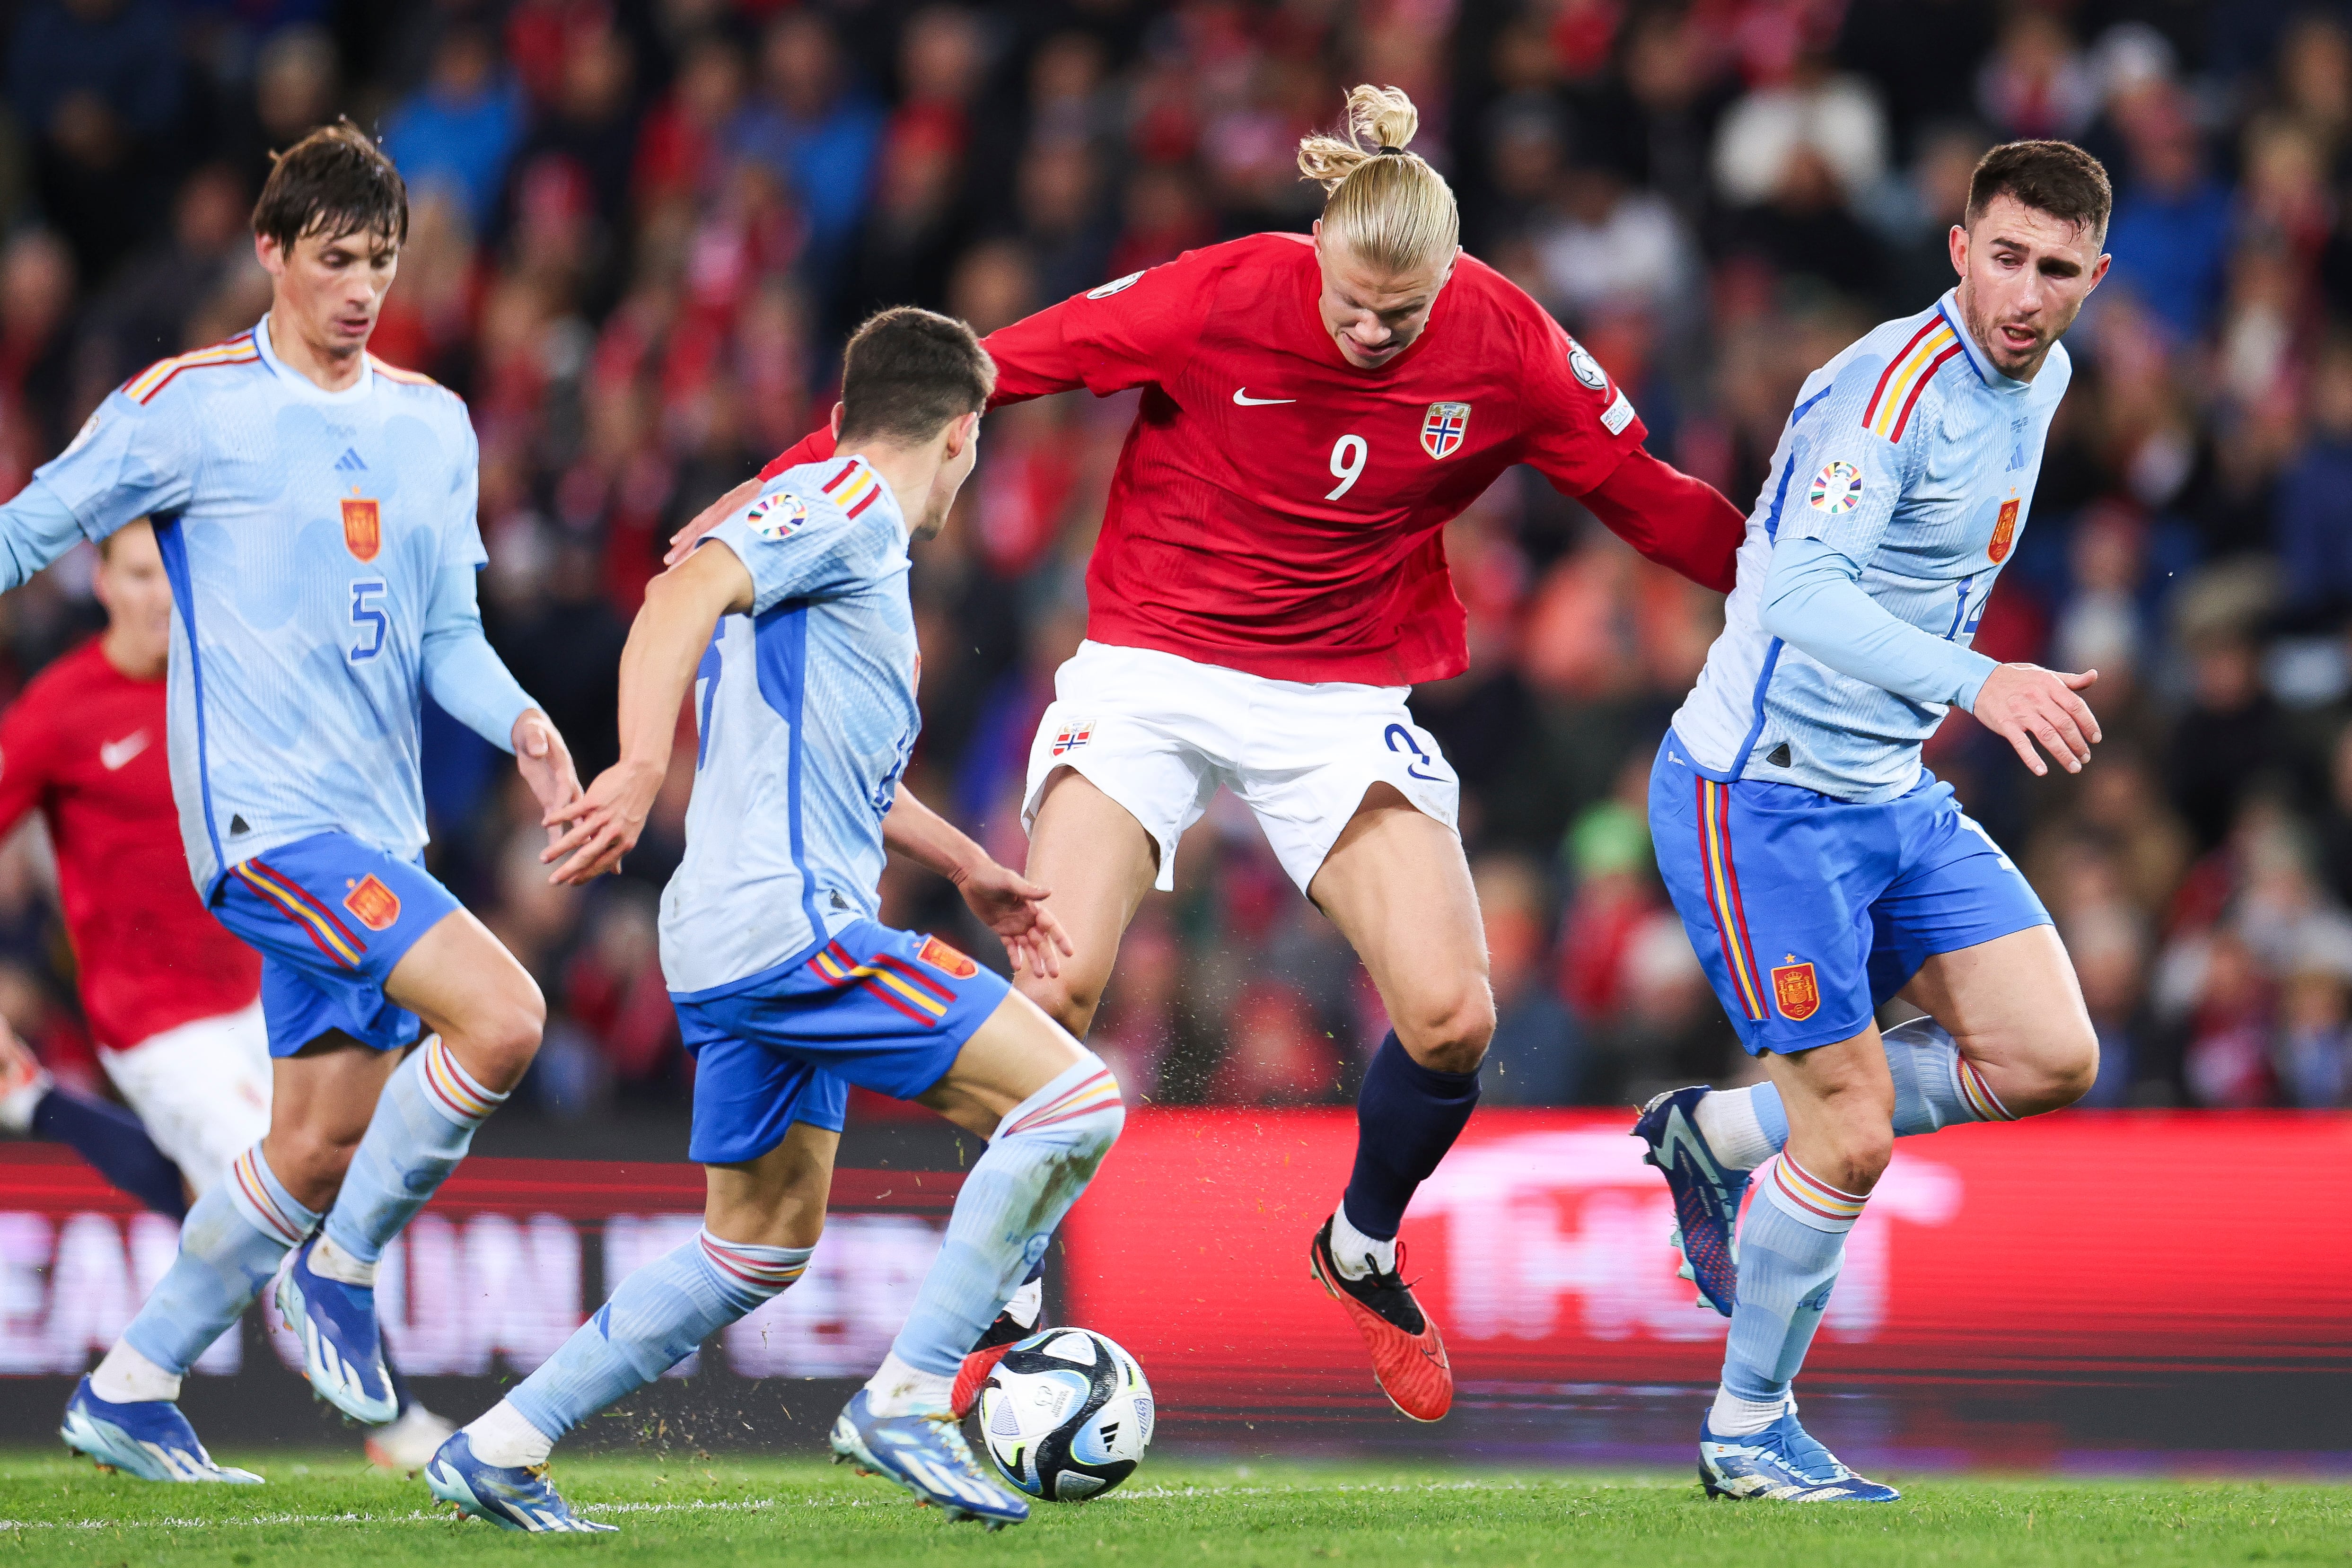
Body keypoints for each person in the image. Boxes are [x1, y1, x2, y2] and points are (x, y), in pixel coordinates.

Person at [668, 84, 1748, 1424]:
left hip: (1338, 696)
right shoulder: (1222, 292)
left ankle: (1358, 1244)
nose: (1364, 329)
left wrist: (1797, 591)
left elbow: (1654, 504)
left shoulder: (1509, 344)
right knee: (1055, 995)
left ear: (1448, 283)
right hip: (1151, 673)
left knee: (1454, 1017)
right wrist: (779, 490)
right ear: (1316, 249)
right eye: (1346, 301)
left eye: (1395, 317)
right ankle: (998, 1290)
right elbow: (988, 365)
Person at [421, 308, 1115, 1533]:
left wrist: (967, 863)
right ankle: (906, 1395)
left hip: (730, 936)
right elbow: (679, 591)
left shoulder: (838, 539)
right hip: (794, 929)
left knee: (754, 1247)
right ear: (962, 436)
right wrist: (638, 765)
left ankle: (499, 1441)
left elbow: (838, 759)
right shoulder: (843, 499)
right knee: (1070, 1102)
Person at [0, 122, 581, 1483]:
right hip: (268, 833)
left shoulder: (433, 425)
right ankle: (342, 1279)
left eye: (381, 258)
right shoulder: (191, 405)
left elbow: (448, 634)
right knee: (503, 1014)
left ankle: (132, 1383)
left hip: (381, 833)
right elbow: (31, 525)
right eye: (333, 259)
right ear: (271, 253)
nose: (361, 286)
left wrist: (526, 722)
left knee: (312, 1148)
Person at [1632, 140, 2111, 1501]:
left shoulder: (2048, 376)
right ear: (1956, 246)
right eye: (2002, 257)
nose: (2023, 296)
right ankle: (1744, 1433)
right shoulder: (1885, 394)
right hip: (1761, 793)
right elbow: (1794, 594)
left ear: (2092, 279)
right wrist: (1982, 679)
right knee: (1846, 1135)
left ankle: (1721, 1137)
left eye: (2055, 271)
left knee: (2047, 1053)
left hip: (1888, 788)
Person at [0, 518, 452, 1472]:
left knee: (247, 1189)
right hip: (153, 1022)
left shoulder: (224, 684)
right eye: (137, 575)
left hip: (259, 993)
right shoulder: (56, 711)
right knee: (292, 1195)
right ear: (102, 583)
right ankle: (398, 1424)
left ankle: (39, 1107)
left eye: (171, 576)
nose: (159, 595)